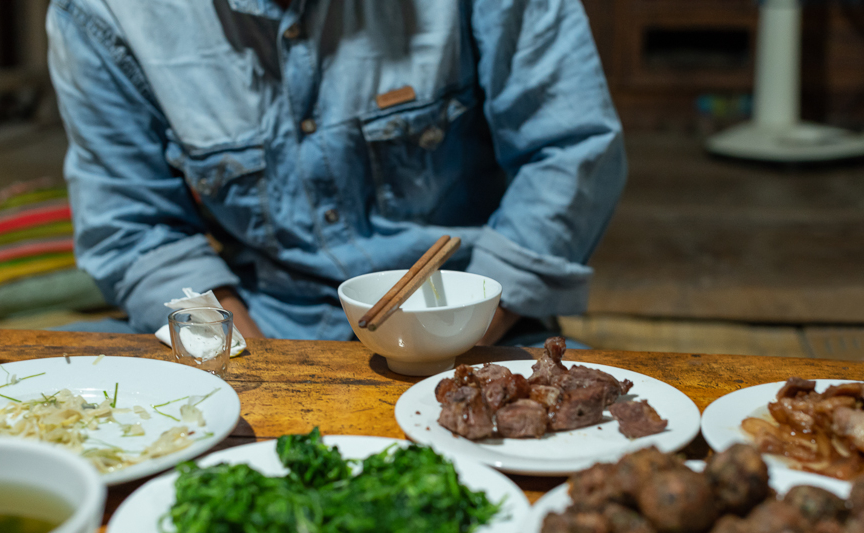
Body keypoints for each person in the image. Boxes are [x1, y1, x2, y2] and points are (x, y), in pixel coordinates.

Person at [46, 0, 626, 345]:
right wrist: (252, 366)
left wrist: (461, 334)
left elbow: (569, 147)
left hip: (471, 314)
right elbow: (136, 231)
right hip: (256, 320)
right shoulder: (101, 13)